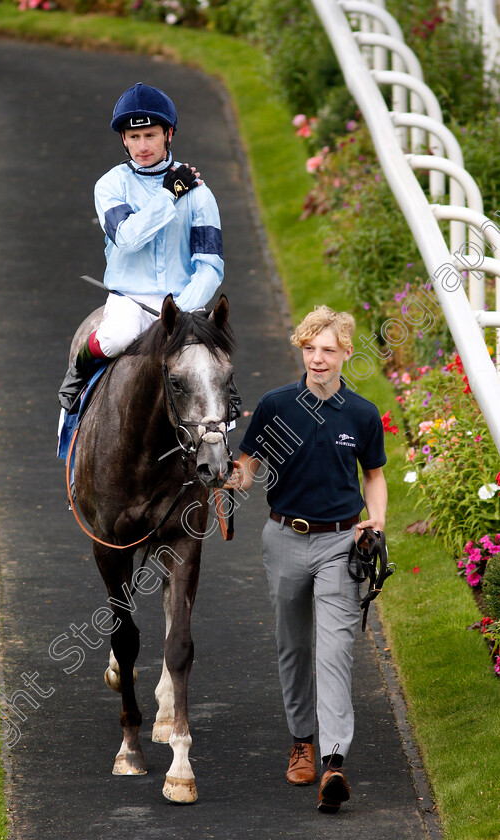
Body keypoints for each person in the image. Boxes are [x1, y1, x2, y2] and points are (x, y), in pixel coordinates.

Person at [227, 305, 387, 813]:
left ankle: (334, 762)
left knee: (335, 650)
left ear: (346, 354)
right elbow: (248, 465)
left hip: (340, 544)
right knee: (294, 645)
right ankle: (302, 740)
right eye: (310, 349)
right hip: (284, 539)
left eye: (328, 350)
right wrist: (235, 479)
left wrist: (376, 521)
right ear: (302, 350)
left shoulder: (361, 414)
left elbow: (375, 476)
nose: (318, 359)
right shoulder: (277, 406)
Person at [58, 82, 224, 413]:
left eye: (150, 135)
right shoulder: (109, 186)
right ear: (123, 139)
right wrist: (168, 196)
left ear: (169, 134)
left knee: (210, 366)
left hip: (183, 302)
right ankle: (79, 369)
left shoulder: (200, 194)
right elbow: (129, 238)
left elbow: (210, 264)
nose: (142, 145)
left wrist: (180, 309)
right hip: (129, 302)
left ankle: (221, 435)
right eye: (134, 137)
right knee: (115, 338)